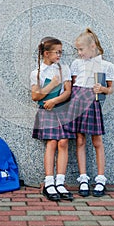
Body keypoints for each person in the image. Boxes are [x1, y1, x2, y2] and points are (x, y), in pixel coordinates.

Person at [65, 28, 114, 197]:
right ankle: (83, 178)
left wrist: (102, 89)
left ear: (92, 46)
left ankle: (100, 178)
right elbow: (73, 86)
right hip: (78, 103)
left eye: (81, 49)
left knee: (97, 141)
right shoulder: (77, 64)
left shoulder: (107, 66)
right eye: (77, 50)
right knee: (80, 140)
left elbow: (110, 89)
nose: (79, 53)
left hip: (93, 104)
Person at [31, 36, 75, 201]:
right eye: (57, 52)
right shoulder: (37, 72)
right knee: (52, 143)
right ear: (47, 53)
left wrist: (54, 100)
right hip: (46, 111)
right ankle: (49, 182)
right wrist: (50, 85)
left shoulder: (63, 68)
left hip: (61, 109)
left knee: (63, 142)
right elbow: (35, 96)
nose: (59, 55)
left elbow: (68, 91)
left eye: (61, 52)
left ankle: (60, 182)